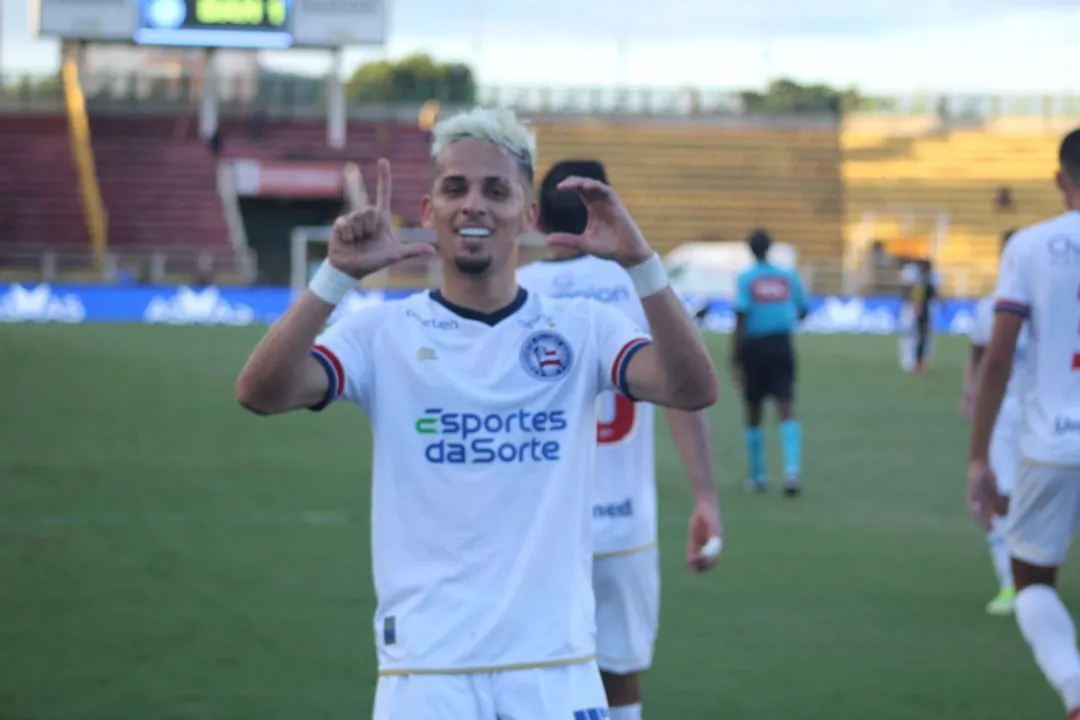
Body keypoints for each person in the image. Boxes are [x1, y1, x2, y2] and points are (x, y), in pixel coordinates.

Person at [234, 107, 719, 720]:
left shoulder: (585, 328)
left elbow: (693, 387)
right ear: (429, 209)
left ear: (529, 215)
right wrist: (335, 277)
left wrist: (641, 264)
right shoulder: (380, 333)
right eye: (454, 188)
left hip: (555, 670)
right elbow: (260, 391)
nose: (474, 205)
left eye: (497, 190)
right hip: (426, 671)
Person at [517, 159, 724, 720]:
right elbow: (685, 395)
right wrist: (705, 496)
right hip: (624, 525)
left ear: (534, 218)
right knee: (619, 680)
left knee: (526, 678)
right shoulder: (641, 290)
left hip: (537, 531)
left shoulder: (513, 293)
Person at [968, 128, 1080, 720]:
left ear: (1062, 178)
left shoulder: (1031, 246)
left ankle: (1075, 693)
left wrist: (978, 456)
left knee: (1032, 578)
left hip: (1051, 444)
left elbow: (998, 360)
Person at [960, 229, 1023, 615]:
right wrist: (970, 392)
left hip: (1046, 410)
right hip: (1004, 411)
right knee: (1000, 495)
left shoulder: (1060, 300)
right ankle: (1010, 581)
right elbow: (981, 356)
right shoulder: (990, 307)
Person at [731, 229, 809, 496]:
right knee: (786, 405)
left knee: (754, 410)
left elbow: (740, 318)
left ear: (750, 250)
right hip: (781, 344)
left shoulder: (746, 278)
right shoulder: (787, 275)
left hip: (754, 347)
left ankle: (758, 476)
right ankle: (791, 472)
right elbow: (803, 307)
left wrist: (736, 360)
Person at [898, 258, 939, 373]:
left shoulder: (927, 278)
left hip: (922, 309)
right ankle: (910, 362)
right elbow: (907, 292)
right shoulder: (914, 276)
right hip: (912, 309)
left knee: (923, 336)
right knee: (912, 335)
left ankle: (919, 361)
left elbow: (932, 293)